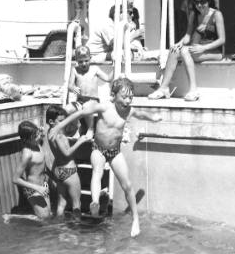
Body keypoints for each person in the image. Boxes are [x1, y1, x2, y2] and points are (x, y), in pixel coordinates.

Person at [50, 77, 162, 237]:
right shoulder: (104, 107)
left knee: (127, 185)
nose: (128, 100)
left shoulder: (129, 111)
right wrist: (59, 127)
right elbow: (80, 113)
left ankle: (135, 219)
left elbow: (142, 114)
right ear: (113, 95)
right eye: (124, 97)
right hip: (99, 149)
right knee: (97, 171)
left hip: (115, 152)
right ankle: (94, 202)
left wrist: (154, 118)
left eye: (131, 97)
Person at [149, 0, 226, 102]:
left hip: (214, 51)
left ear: (208, 0)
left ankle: (193, 89)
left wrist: (203, 48)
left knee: (185, 50)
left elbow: (222, 40)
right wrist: (179, 43)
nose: (199, 5)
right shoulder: (194, 14)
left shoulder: (217, 14)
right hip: (196, 50)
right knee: (174, 50)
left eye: (202, 1)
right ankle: (163, 88)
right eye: (196, 2)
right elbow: (188, 35)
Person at [46, 105, 89, 219]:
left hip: (58, 171)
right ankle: (76, 229)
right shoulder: (59, 135)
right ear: (51, 121)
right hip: (69, 171)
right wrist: (80, 141)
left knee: (61, 203)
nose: (63, 123)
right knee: (76, 204)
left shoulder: (50, 133)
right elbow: (67, 153)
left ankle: (59, 229)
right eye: (60, 121)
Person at [3, 121, 51, 223]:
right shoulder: (27, 154)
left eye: (38, 133)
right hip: (33, 188)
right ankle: (11, 216)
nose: (38, 137)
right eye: (35, 136)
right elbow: (15, 179)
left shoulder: (37, 143)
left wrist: (42, 130)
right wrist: (37, 188)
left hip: (43, 186)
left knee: (48, 215)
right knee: (43, 219)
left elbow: (44, 132)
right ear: (26, 139)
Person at [66, 45, 113, 137]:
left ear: (90, 58)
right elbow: (69, 85)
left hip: (93, 101)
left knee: (87, 106)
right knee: (67, 109)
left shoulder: (94, 69)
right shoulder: (75, 70)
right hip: (79, 101)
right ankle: (77, 127)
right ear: (76, 60)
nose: (83, 64)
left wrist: (114, 67)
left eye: (86, 61)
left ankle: (91, 129)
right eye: (80, 61)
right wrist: (73, 88)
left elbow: (107, 78)